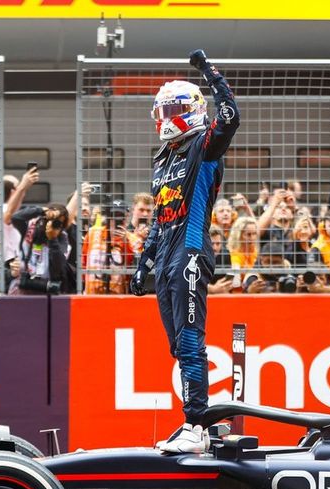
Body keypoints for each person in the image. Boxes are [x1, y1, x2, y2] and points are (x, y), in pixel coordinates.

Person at [129, 49, 239, 453]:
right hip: (168, 255)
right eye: (163, 109)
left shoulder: (203, 146)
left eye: (174, 107)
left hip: (191, 251)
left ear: (191, 110)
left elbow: (231, 116)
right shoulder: (162, 159)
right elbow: (160, 215)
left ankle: (195, 425)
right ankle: (198, 426)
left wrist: (209, 70)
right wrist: (144, 264)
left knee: (191, 342)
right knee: (177, 345)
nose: (166, 116)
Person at [9, 203, 71, 295]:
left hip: (46, 289)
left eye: (58, 223)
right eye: (52, 220)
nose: (54, 225)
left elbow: (59, 266)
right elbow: (15, 218)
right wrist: (42, 210)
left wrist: (52, 239)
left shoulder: (62, 237)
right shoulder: (31, 227)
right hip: (24, 285)